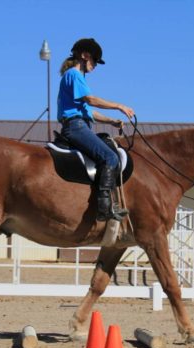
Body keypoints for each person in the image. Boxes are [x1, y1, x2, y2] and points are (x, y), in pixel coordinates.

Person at [57, 38, 135, 221]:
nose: (95, 66)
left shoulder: (76, 77)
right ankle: (104, 207)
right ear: (85, 56)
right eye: (94, 60)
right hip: (75, 127)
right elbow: (91, 100)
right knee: (110, 157)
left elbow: (88, 111)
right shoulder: (74, 74)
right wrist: (119, 106)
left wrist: (111, 121)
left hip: (79, 123)